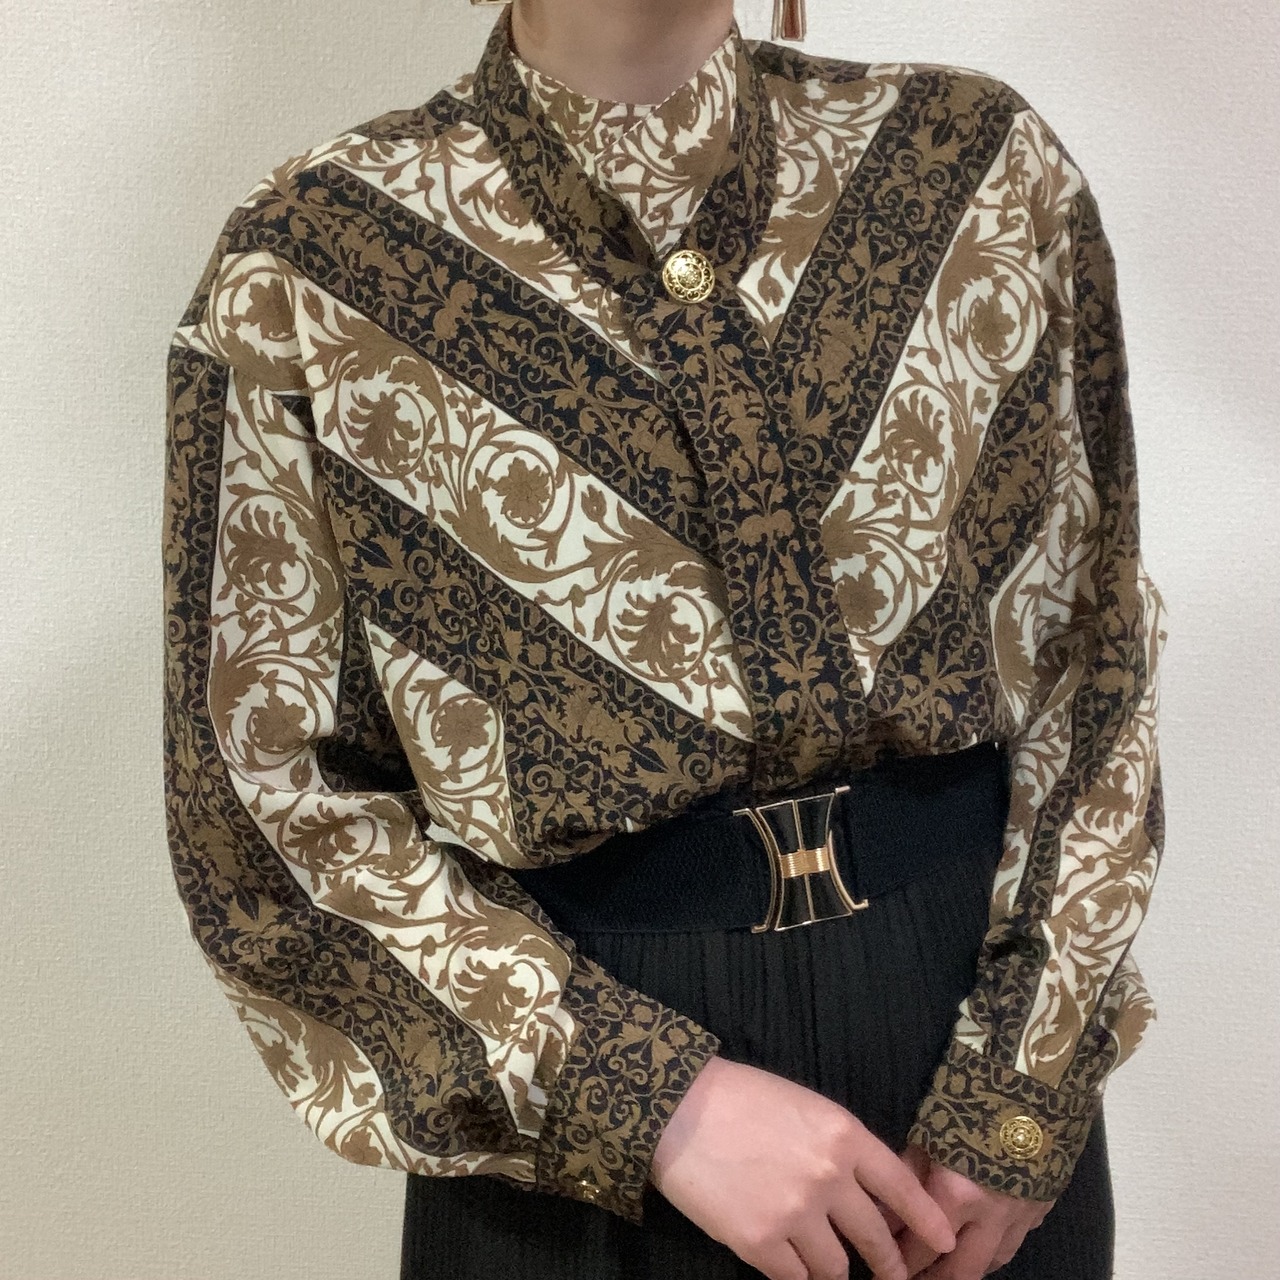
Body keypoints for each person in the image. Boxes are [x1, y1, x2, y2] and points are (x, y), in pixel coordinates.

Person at [160, 0, 1168, 1277]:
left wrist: (1022, 1086)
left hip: (959, 1092)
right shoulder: (315, 259)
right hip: (575, 1134)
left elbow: (1090, 651)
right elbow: (262, 803)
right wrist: (646, 1102)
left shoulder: (968, 164)